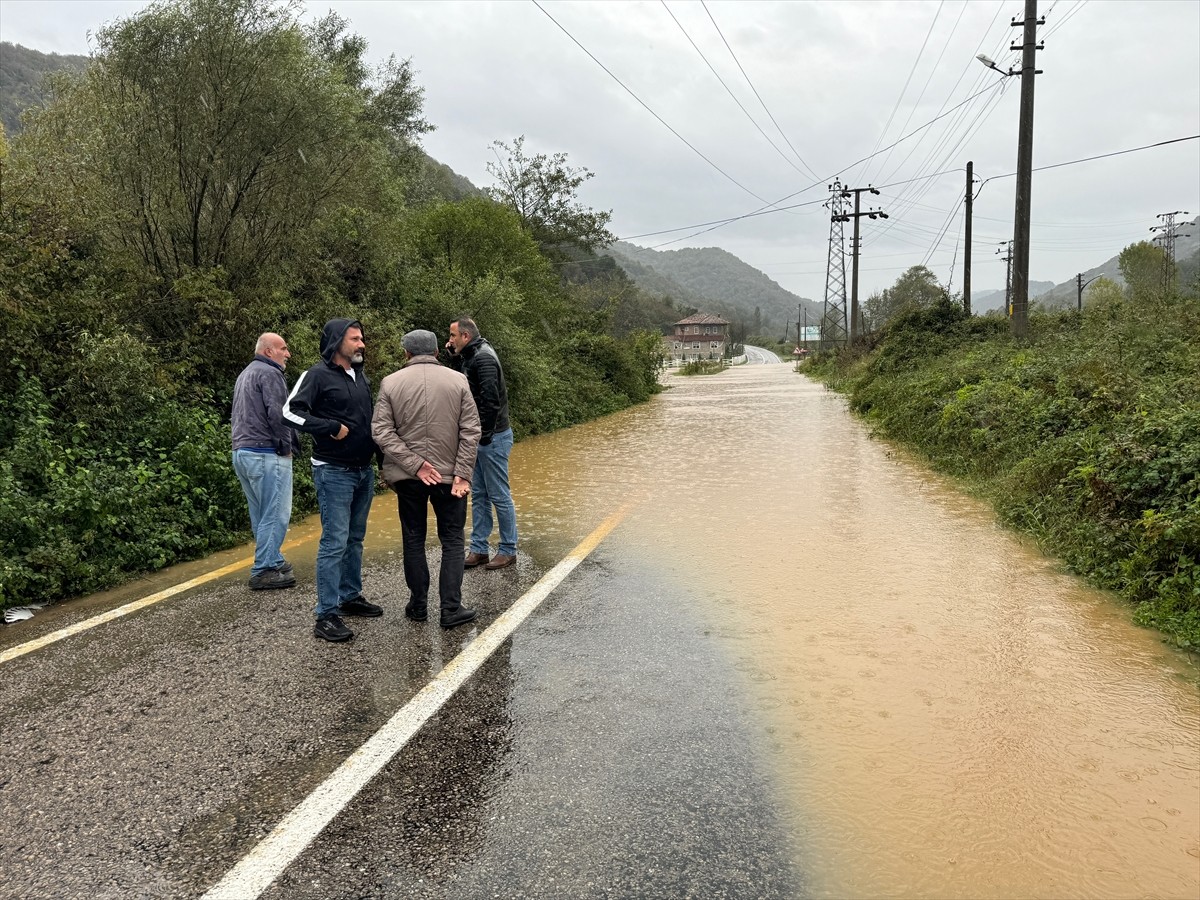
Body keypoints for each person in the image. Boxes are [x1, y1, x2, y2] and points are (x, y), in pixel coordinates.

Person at [372, 330, 481, 629]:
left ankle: (418, 606)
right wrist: (462, 473)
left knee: (413, 539)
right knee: (453, 541)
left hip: (408, 478)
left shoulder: (390, 383)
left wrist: (415, 465)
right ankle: (450, 609)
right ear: (436, 352)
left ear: (406, 354)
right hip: (450, 478)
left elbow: (381, 432)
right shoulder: (458, 380)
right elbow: (471, 430)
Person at [283, 318, 383, 643]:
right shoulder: (316, 375)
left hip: (362, 471)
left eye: (361, 338)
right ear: (337, 341)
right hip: (333, 471)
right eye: (355, 339)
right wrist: (328, 427)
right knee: (334, 542)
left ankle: (350, 596)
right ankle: (326, 614)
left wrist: (382, 463)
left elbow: (369, 422)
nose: (361, 344)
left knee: (355, 538)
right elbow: (289, 412)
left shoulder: (360, 376)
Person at [446, 317, 518, 570]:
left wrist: (483, 436)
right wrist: (455, 356)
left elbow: (490, 402)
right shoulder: (472, 354)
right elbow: (466, 385)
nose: (450, 340)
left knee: (499, 494)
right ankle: (479, 549)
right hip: (480, 436)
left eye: (453, 335)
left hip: (492, 437)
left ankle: (508, 549)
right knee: (479, 494)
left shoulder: (484, 358)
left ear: (465, 336)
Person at [231, 333, 299, 590]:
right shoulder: (270, 373)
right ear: (269, 351)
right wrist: (286, 447)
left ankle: (273, 557)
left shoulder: (247, 372)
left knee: (260, 511)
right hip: (266, 452)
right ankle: (264, 568)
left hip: (243, 451)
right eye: (283, 348)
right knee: (276, 511)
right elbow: (279, 414)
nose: (287, 354)